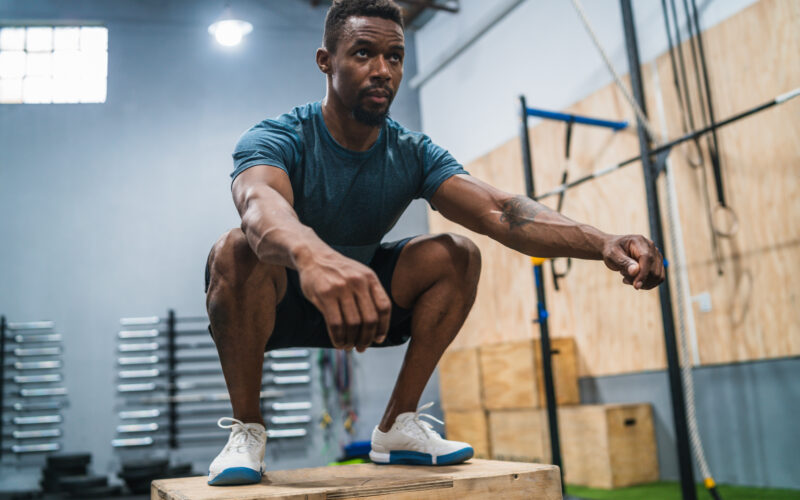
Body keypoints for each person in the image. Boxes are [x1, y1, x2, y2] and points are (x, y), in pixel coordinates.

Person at [203, 0, 665, 486]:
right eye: (363, 54)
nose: (382, 70)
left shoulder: (411, 152)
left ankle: (397, 426)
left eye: (395, 57)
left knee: (457, 255)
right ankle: (247, 431)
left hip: (369, 300)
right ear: (326, 62)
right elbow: (260, 208)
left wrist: (605, 241)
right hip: (279, 300)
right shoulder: (280, 136)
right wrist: (314, 258)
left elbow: (502, 211)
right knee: (234, 251)